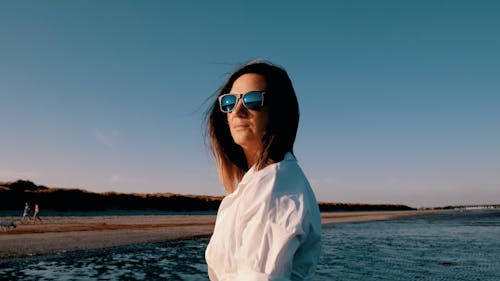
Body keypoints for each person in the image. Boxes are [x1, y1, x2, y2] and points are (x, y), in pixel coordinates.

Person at [205, 59, 322, 280]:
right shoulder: (260, 182)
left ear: (278, 112)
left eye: (252, 100)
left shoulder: (273, 188)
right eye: (229, 102)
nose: (237, 110)